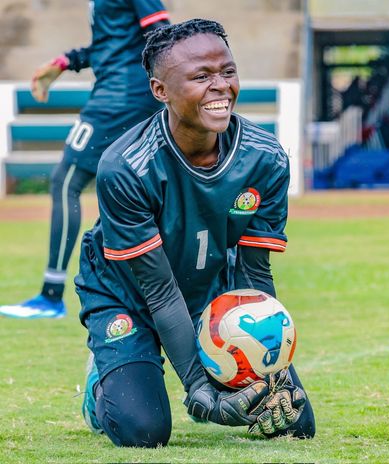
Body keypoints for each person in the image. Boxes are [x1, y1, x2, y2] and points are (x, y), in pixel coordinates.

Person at [74, 19, 315, 447]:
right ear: (160, 90)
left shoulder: (266, 158)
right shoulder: (125, 166)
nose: (220, 86)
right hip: (126, 291)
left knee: (293, 420)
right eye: (201, 76)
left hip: (209, 292)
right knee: (143, 431)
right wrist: (198, 387)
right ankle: (102, 383)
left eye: (227, 71)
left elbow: (254, 275)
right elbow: (158, 289)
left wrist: (271, 372)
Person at [0, 0, 170, 319]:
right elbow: (112, 45)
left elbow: (161, 33)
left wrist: (169, 89)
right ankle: (149, 294)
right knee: (134, 190)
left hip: (120, 99)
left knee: (66, 181)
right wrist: (67, 61)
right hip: (123, 94)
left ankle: (51, 295)